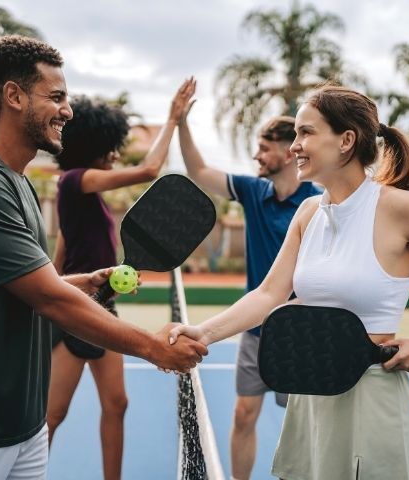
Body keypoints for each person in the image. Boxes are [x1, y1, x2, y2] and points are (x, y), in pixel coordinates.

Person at [0, 35, 207, 480]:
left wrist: (88, 280)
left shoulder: (18, 182)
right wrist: (151, 347)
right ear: (13, 96)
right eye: (55, 97)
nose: (68, 110)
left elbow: (28, 284)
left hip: (21, 428)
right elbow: (48, 299)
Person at [169, 84, 409, 479]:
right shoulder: (309, 212)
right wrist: (202, 333)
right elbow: (269, 294)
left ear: (346, 140)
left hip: (372, 398)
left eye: (306, 133)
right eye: (296, 135)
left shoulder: (401, 207)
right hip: (311, 398)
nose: (295, 146)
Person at [47, 81, 194, 479]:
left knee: (116, 404)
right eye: (109, 145)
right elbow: (148, 170)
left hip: (102, 306)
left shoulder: (82, 198)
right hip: (78, 314)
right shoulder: (74, 180)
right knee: (52, 415)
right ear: (91, 146)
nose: (114, 153)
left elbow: (61, 256)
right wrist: (171, 119)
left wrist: (106, 281)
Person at [175, 78, 320, 480]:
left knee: (305, 427)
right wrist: (182, 123)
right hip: (255, 331)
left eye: (263, 147)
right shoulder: (253, 192)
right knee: (243, 414)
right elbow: (199, 171)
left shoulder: (319, 202)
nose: (256, 155)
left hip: (301, 334)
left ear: (289, 152)